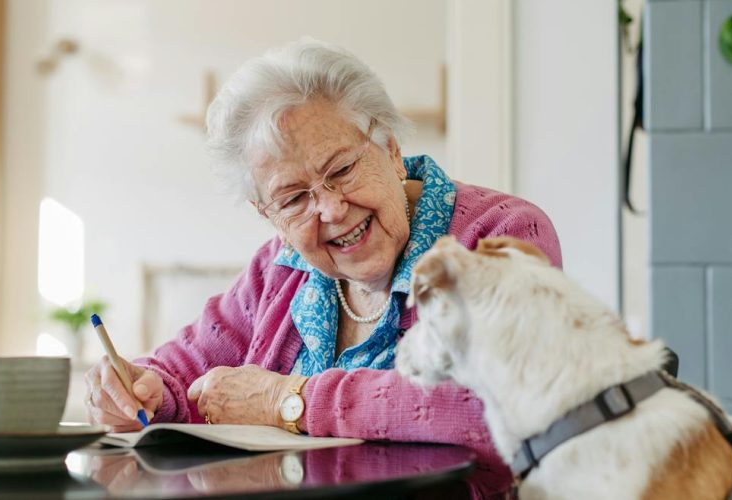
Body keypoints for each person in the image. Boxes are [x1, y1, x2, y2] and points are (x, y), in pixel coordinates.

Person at [85, 38, 561, 483]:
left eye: (343, 169)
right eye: (293, 199)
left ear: (391, 150)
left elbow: (506, 409)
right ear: (267, 214)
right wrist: (137, 390)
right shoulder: (278, 267)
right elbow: (178, 371)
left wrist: (285, 401)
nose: (331, 210)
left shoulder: (499, 236)